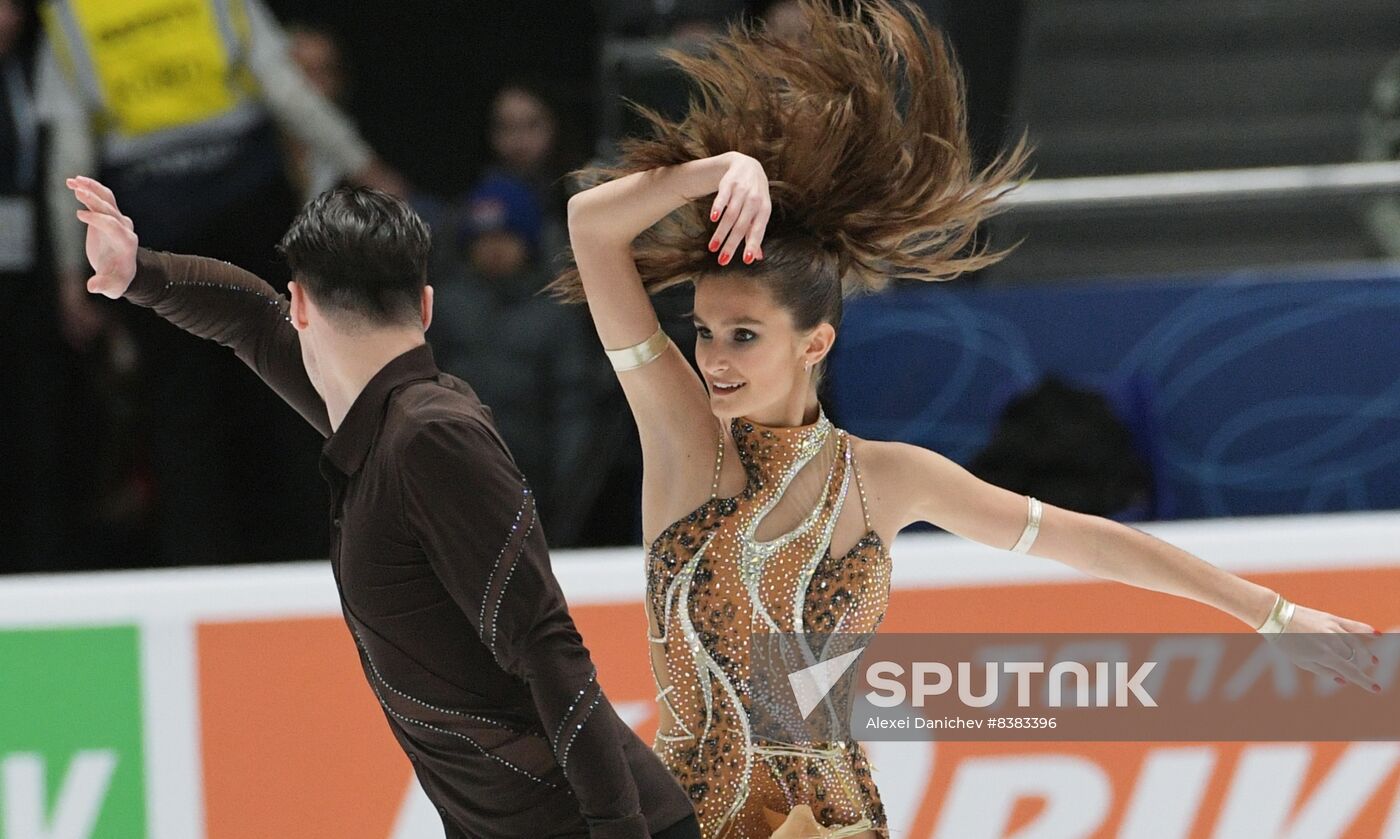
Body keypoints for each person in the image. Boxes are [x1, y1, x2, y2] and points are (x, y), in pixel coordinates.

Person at [554, 1, 1385, 836]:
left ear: (816, 342)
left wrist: (1269, 613)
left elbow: (1089, 540)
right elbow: (592, 226)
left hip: (837, 820)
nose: (715, 358)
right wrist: (716, 170)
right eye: (704, 331)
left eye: (744, 335)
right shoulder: (680, 433)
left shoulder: (888, 476)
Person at [66, 175, 699, 839]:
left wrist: (619, 829)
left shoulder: (431, 438)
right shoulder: (380, 427)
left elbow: (546, 646)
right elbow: (249, 320)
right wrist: (138, 271)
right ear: (425, 306)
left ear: (302, 306)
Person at [37, 0, 407, 566]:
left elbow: (70, 152)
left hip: (153, 217)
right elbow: (285, 89)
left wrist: (70, 268)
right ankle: (329, 556)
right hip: (245, 200)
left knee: (179, 412)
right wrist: (365, 166)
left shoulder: (71, 13)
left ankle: (199, 567)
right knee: (292, 378)